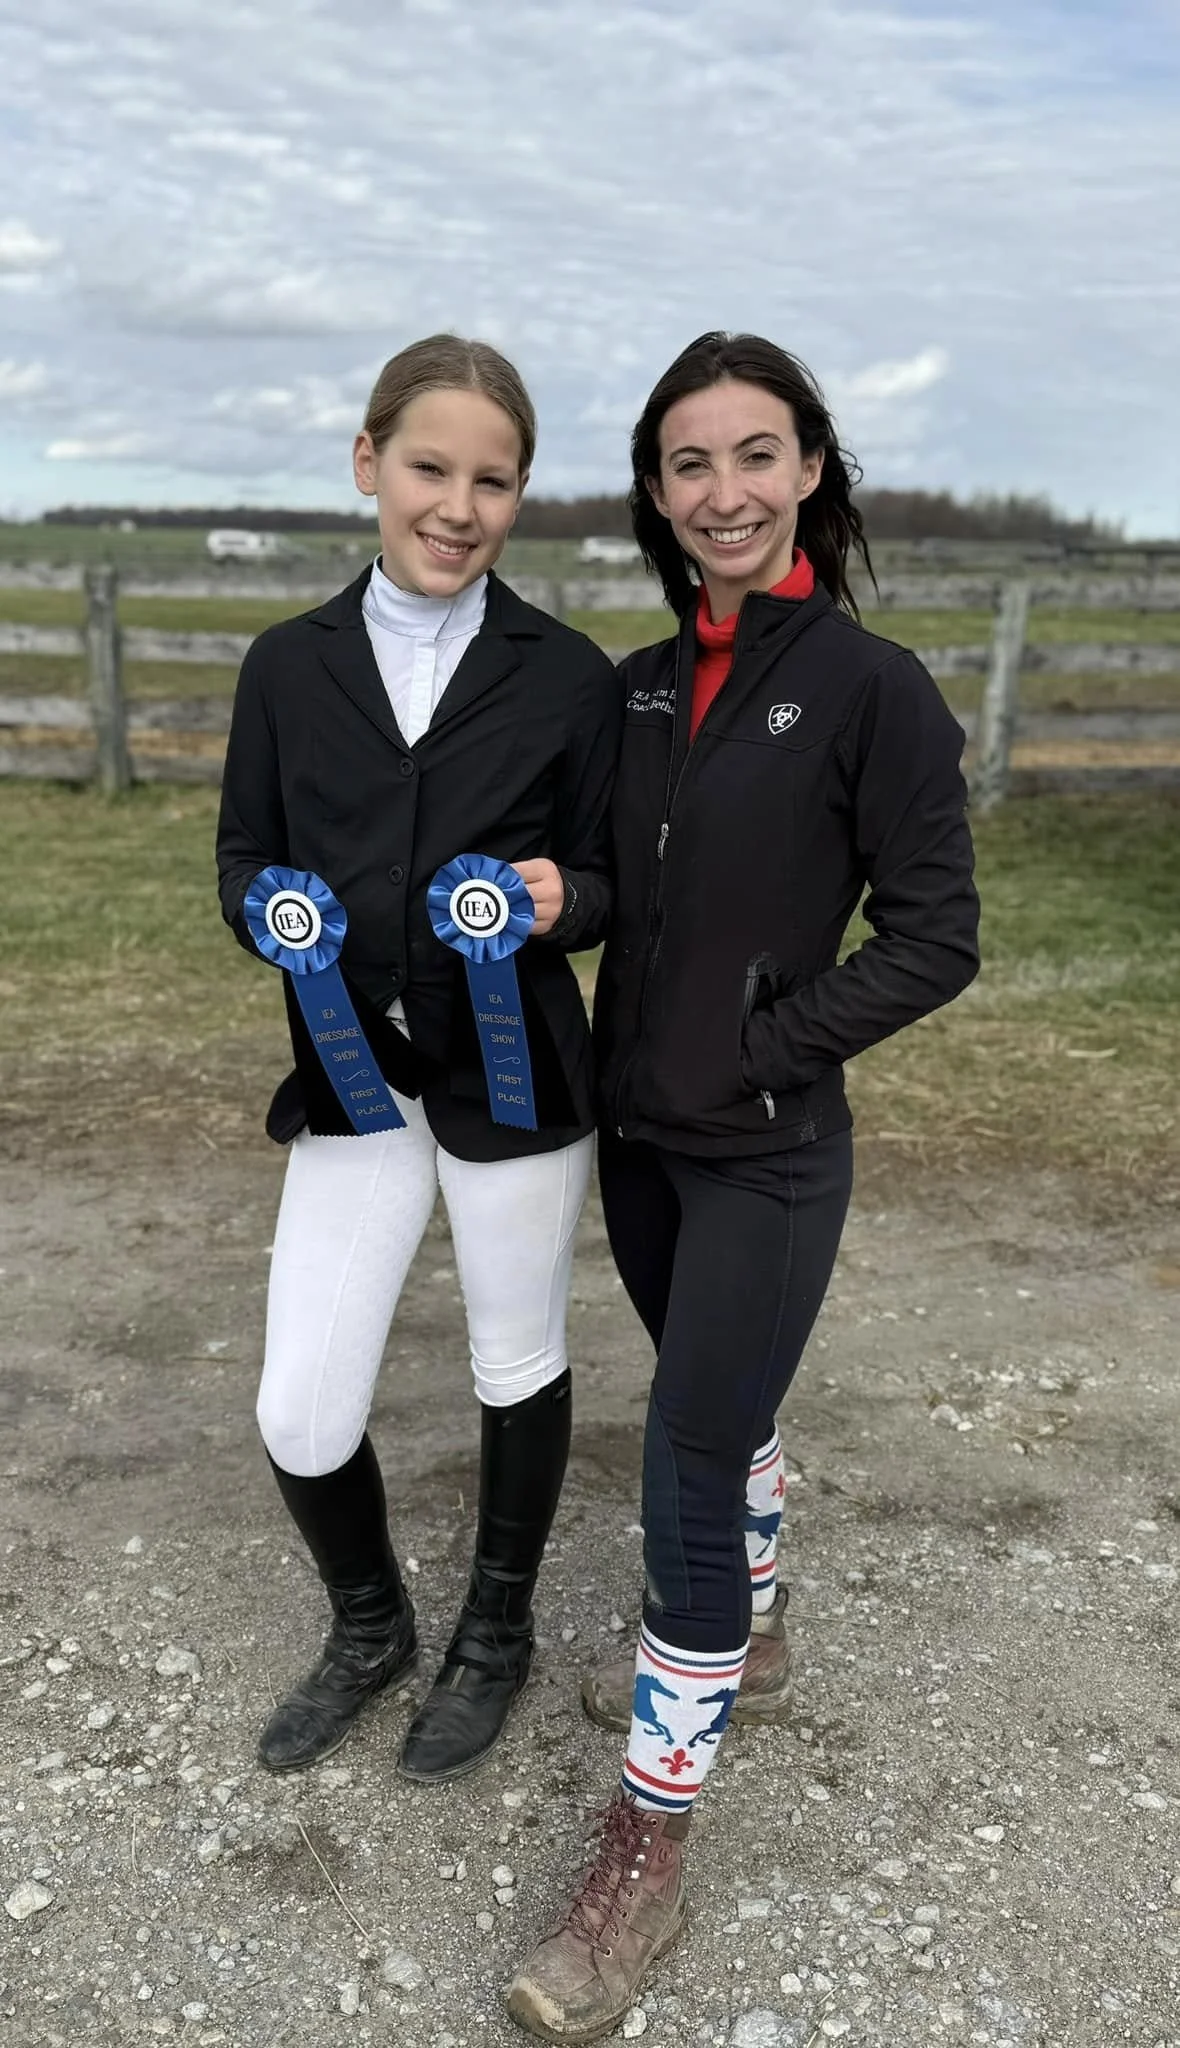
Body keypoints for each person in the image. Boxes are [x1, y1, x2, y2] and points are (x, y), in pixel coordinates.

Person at [507, 332, 980, 2039]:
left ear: (811, 473)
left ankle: (647, 1837)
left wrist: (778, 1040)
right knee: (729, 1400)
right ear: (657, 492)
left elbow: (939, 939)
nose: (726, 491)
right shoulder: (636, 687)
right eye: (691, 463)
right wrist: (544, 903)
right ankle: (752, 1636)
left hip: (772, 1147)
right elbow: (630, 898)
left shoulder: (873, 688)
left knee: (692, 1451)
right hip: (641, 1144)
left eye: (756, 455)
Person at [215, 334, 620, 1786]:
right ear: (369, 463)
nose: (458, 506)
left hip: (515, 1085)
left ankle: (493, 1635)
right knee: (299, 1405)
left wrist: (567, 899)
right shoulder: (283, 666)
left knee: (516, 1357)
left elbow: (607, 878)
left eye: (493, 481)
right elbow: (244, 860)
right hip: (350, 1081)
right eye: (432, 468)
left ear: (520, 497)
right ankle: (370, 1622)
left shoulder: (570, 676)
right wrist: (270, 916)